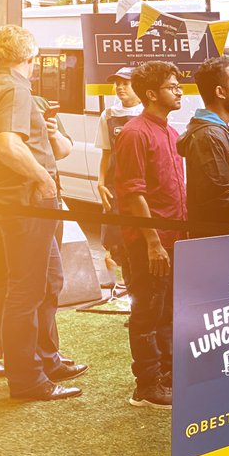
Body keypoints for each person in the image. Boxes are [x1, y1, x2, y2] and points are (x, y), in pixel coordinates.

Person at [0, 25, 85, 401]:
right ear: (31, 57)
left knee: (46, 281)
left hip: (8, 203)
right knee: (26, 293)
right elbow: (6, 145)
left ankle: (46, 359)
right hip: (24, 203)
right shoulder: (13, 87)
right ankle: (28, 380)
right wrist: (42, 178)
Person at [113, 60, 186, 409]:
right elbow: (132, 193)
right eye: (173, 86)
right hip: (148, 245)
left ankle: (167, 378)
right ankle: (146, 386)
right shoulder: (134, 132)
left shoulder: (171, 132)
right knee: (147, 314)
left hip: (174, 242)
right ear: (152, 93)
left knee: (168, 312)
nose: (180, 91)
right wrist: (153, 243)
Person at [178, 56, 229, 228]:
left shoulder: (216, 131)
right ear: (220, 92)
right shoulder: (209, 136)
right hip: (227, 244)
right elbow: (221, 196)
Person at [96, 66, 142, 305]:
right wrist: (101, 182)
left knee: (139, 240)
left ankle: (139, 294)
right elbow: (106, 153)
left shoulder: (147, 112)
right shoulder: (108, 115)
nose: (121, 87)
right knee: (116, 242)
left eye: (126, 83)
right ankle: (125, 291)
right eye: (118, 84)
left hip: (139, 189)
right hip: (114, 189)